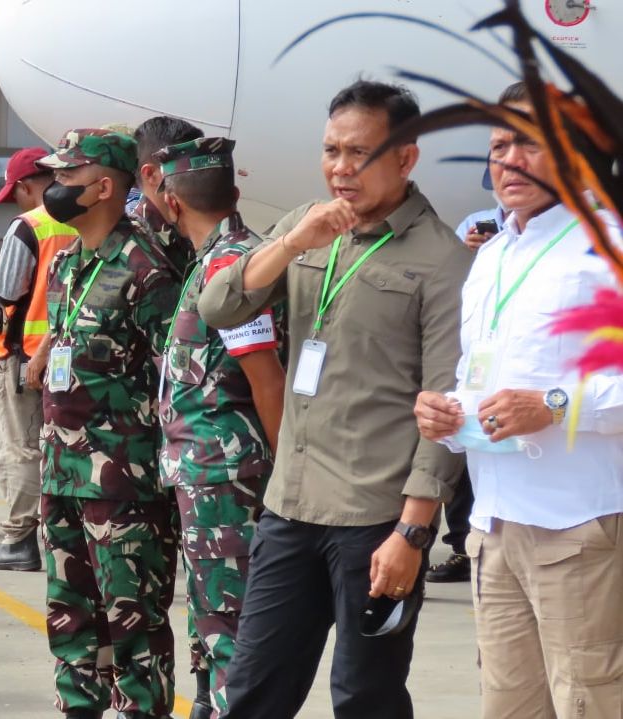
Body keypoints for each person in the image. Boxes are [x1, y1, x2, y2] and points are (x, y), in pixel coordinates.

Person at [196, 80, 471, 719]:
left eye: (360, 153)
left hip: (376, 521)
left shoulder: (441, 260)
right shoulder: (306, 226)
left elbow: (445, 406)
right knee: (254, 691)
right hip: (289, 508)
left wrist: (412, 530)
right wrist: (292, 243)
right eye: (331, 151)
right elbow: (219, 305)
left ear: (405, 158)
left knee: (364, 696)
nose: (341, 169)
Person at [413, 81, 623, 719]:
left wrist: (557, 405)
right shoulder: (493, 254)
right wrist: (447, 416)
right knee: (508, 706)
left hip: (579, 527)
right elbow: (480, 376)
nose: (508, 161)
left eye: (530, 143)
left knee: (589, 702)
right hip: (494, 529)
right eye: (498, 145)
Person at [36, 128, 179, 719]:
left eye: (66, 178)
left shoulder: (147, 271)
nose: (53, 188)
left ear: (101, 188)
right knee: (70, 611)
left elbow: (176, 378)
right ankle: (80, 708)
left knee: (132, 618)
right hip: (62, 470)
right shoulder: (69, 262)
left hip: (123, 481)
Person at [154, 137, 286, 718]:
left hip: (227, 478)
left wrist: (287, 480)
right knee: (213, 615)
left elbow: (268, 380)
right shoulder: (217, 260)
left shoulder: (233, 268)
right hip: (205, 475)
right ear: (234, 193)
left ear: (169, 200)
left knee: (233, 624)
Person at [0, 146, 75, 572]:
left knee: (18, 448)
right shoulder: (86, 220)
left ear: (28, 185)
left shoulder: (29, 226)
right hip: (69, 354)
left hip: (24, 358)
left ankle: (18, 539)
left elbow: (9, 292)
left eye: (14, 192)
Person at [132, 116, 202, 278]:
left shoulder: (183, 236)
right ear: (151, 175)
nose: (199, 178)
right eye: (187, 168)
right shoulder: (135, 246)